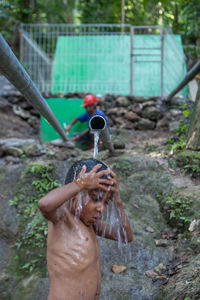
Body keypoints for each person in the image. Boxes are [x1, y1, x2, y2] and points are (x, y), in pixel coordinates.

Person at [38, 158, 132, 300]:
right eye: (95, 199)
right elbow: (45, 204)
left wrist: (117, 199)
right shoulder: (62, 219)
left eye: (106, 202)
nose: (101, 208)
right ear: (74, 195)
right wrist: (79, 184)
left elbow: (125, 236)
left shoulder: (91, 225)